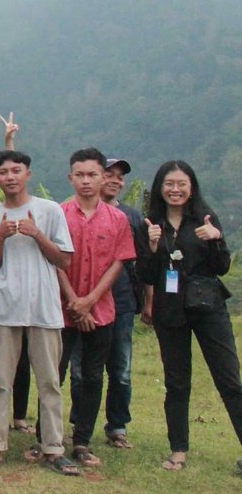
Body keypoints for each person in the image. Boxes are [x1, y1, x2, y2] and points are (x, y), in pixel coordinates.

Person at [0, 150, 78, 476]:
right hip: (4, 309)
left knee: (50, 382)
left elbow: (64, 260)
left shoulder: (50, 210)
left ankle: (54, 448)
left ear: (27, 174)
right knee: (1, 381)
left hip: (44, 308)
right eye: (3, 172)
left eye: (16, 170)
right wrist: (0, 238)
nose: (10, 177)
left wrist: (36, 234)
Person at [137, 161, 242, 474]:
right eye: (169, 184)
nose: (175, 189)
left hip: (208, 307)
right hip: (170, 310)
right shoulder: (151, 223)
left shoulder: (204, 217)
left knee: (229, 380)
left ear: (191, 187)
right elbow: (145, 274)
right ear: (160, 188)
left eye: (181, 183)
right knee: (177, 382)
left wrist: (216, 238)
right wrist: (152, 246)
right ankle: (178, 451)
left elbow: (222, 266)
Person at [57, 149, 135, 469]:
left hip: (101, 311)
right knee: (54, 374)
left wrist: (89, 302)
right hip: (61, 309)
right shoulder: (59, 214)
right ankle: (46, 437)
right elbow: (55, 260)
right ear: (70, 178)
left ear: (103, 177)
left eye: (92, 174)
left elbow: (118, 262)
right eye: (80, 175)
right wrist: (74, 301)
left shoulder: (118, 219)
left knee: (92, 376)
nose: (86, 181)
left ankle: (82, 441)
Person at [98, 158, 143, 448]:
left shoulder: (132, 216)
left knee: (121, 369)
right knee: (82, 371)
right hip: (87, 302)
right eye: (109, 174)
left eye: (120, 176)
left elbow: (143, 261)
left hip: (123, 302)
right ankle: (80, 423)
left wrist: (148, 302)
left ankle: (117, 426)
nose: (115, 180)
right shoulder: (79, 211)